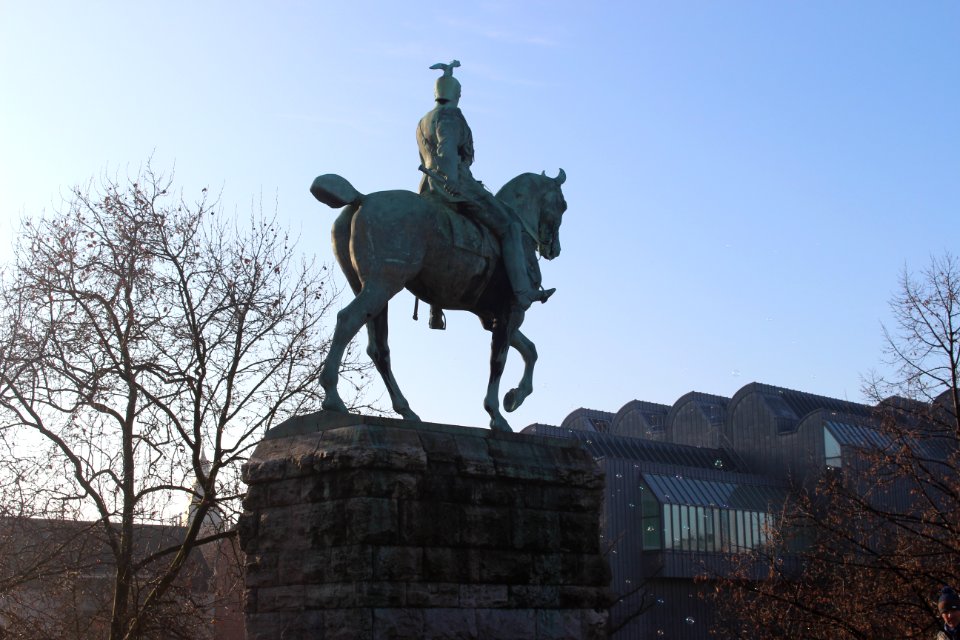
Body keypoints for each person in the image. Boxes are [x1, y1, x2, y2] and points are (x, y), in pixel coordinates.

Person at [416, 60, 553, 329]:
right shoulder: (451, 116)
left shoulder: (423, 120)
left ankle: (435, 307)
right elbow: (446, 149)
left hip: (427, 186)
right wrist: (453, 180)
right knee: (511, 226)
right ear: (456, 94)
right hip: (456, 184)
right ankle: (523, 291)